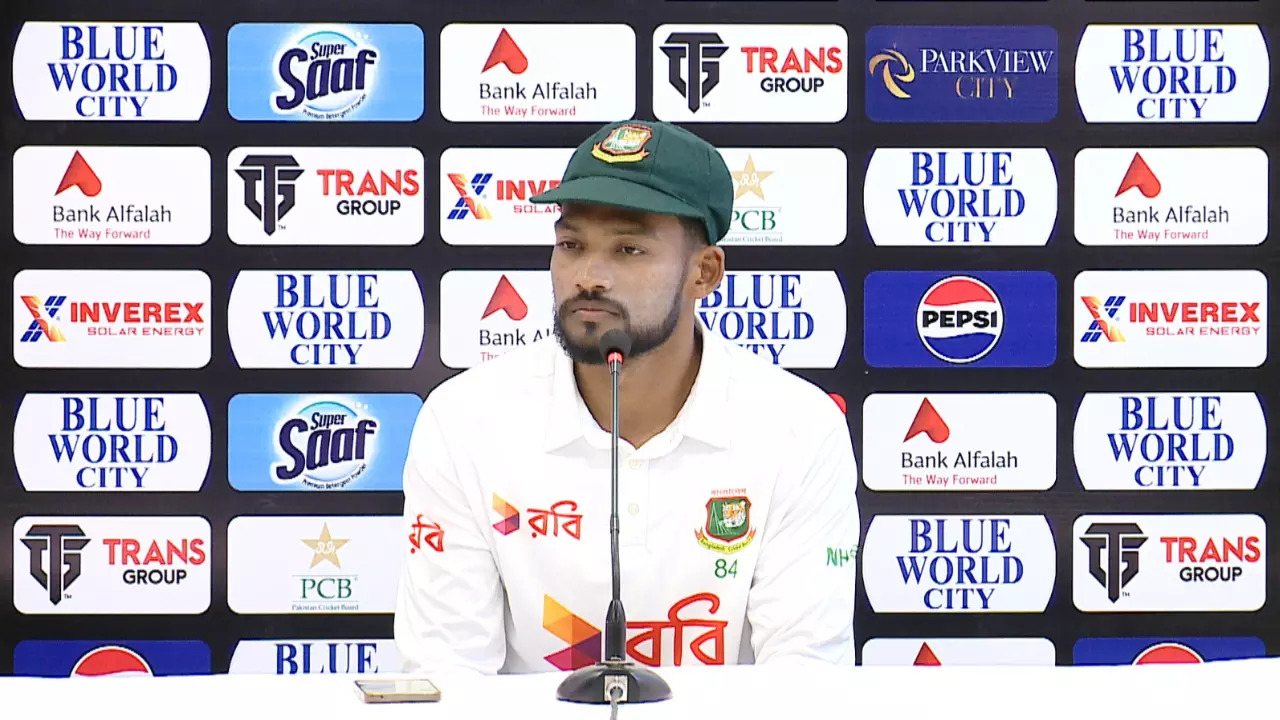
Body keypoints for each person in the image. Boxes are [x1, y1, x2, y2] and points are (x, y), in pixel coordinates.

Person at [394, 119, 859, 675]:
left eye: (629, 249)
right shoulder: (464, 420)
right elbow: (447, 680)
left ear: (704, 273)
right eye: (571, 244)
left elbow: (804, 684)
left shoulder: (800, 429)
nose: (589, 276)